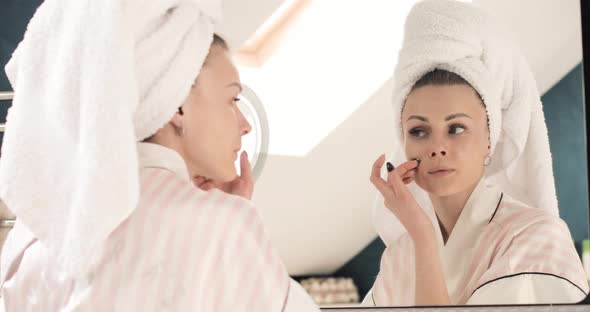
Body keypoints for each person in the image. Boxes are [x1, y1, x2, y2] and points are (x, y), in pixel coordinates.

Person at [0, 1, 319, 311]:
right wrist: (232, 222)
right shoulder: (219, 225)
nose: (246, 124)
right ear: (177, 101)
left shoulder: (38, 235)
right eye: (232, 98)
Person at [363, 0, 588, 306]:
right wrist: (420, 236)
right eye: (419, 131)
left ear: (489, 140)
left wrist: (424, 238)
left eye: (456, 128)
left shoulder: (537, 238)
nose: (436, 146)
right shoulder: (401, 254)